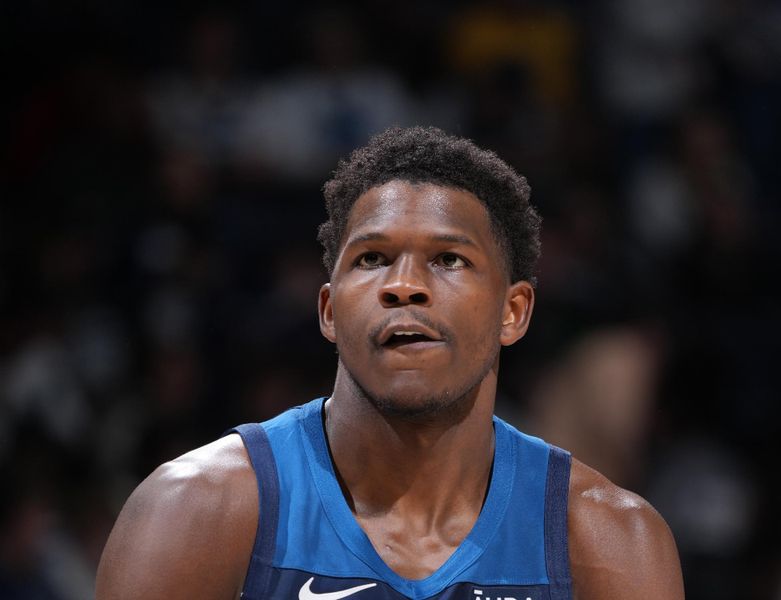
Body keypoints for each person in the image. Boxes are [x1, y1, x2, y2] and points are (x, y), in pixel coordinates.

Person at [96, 126, 684, 599]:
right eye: (373, 258)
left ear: (514, 311)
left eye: (449, 260)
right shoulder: (196, 510)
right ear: (329, 310)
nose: (404, 285)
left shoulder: (607, 540)